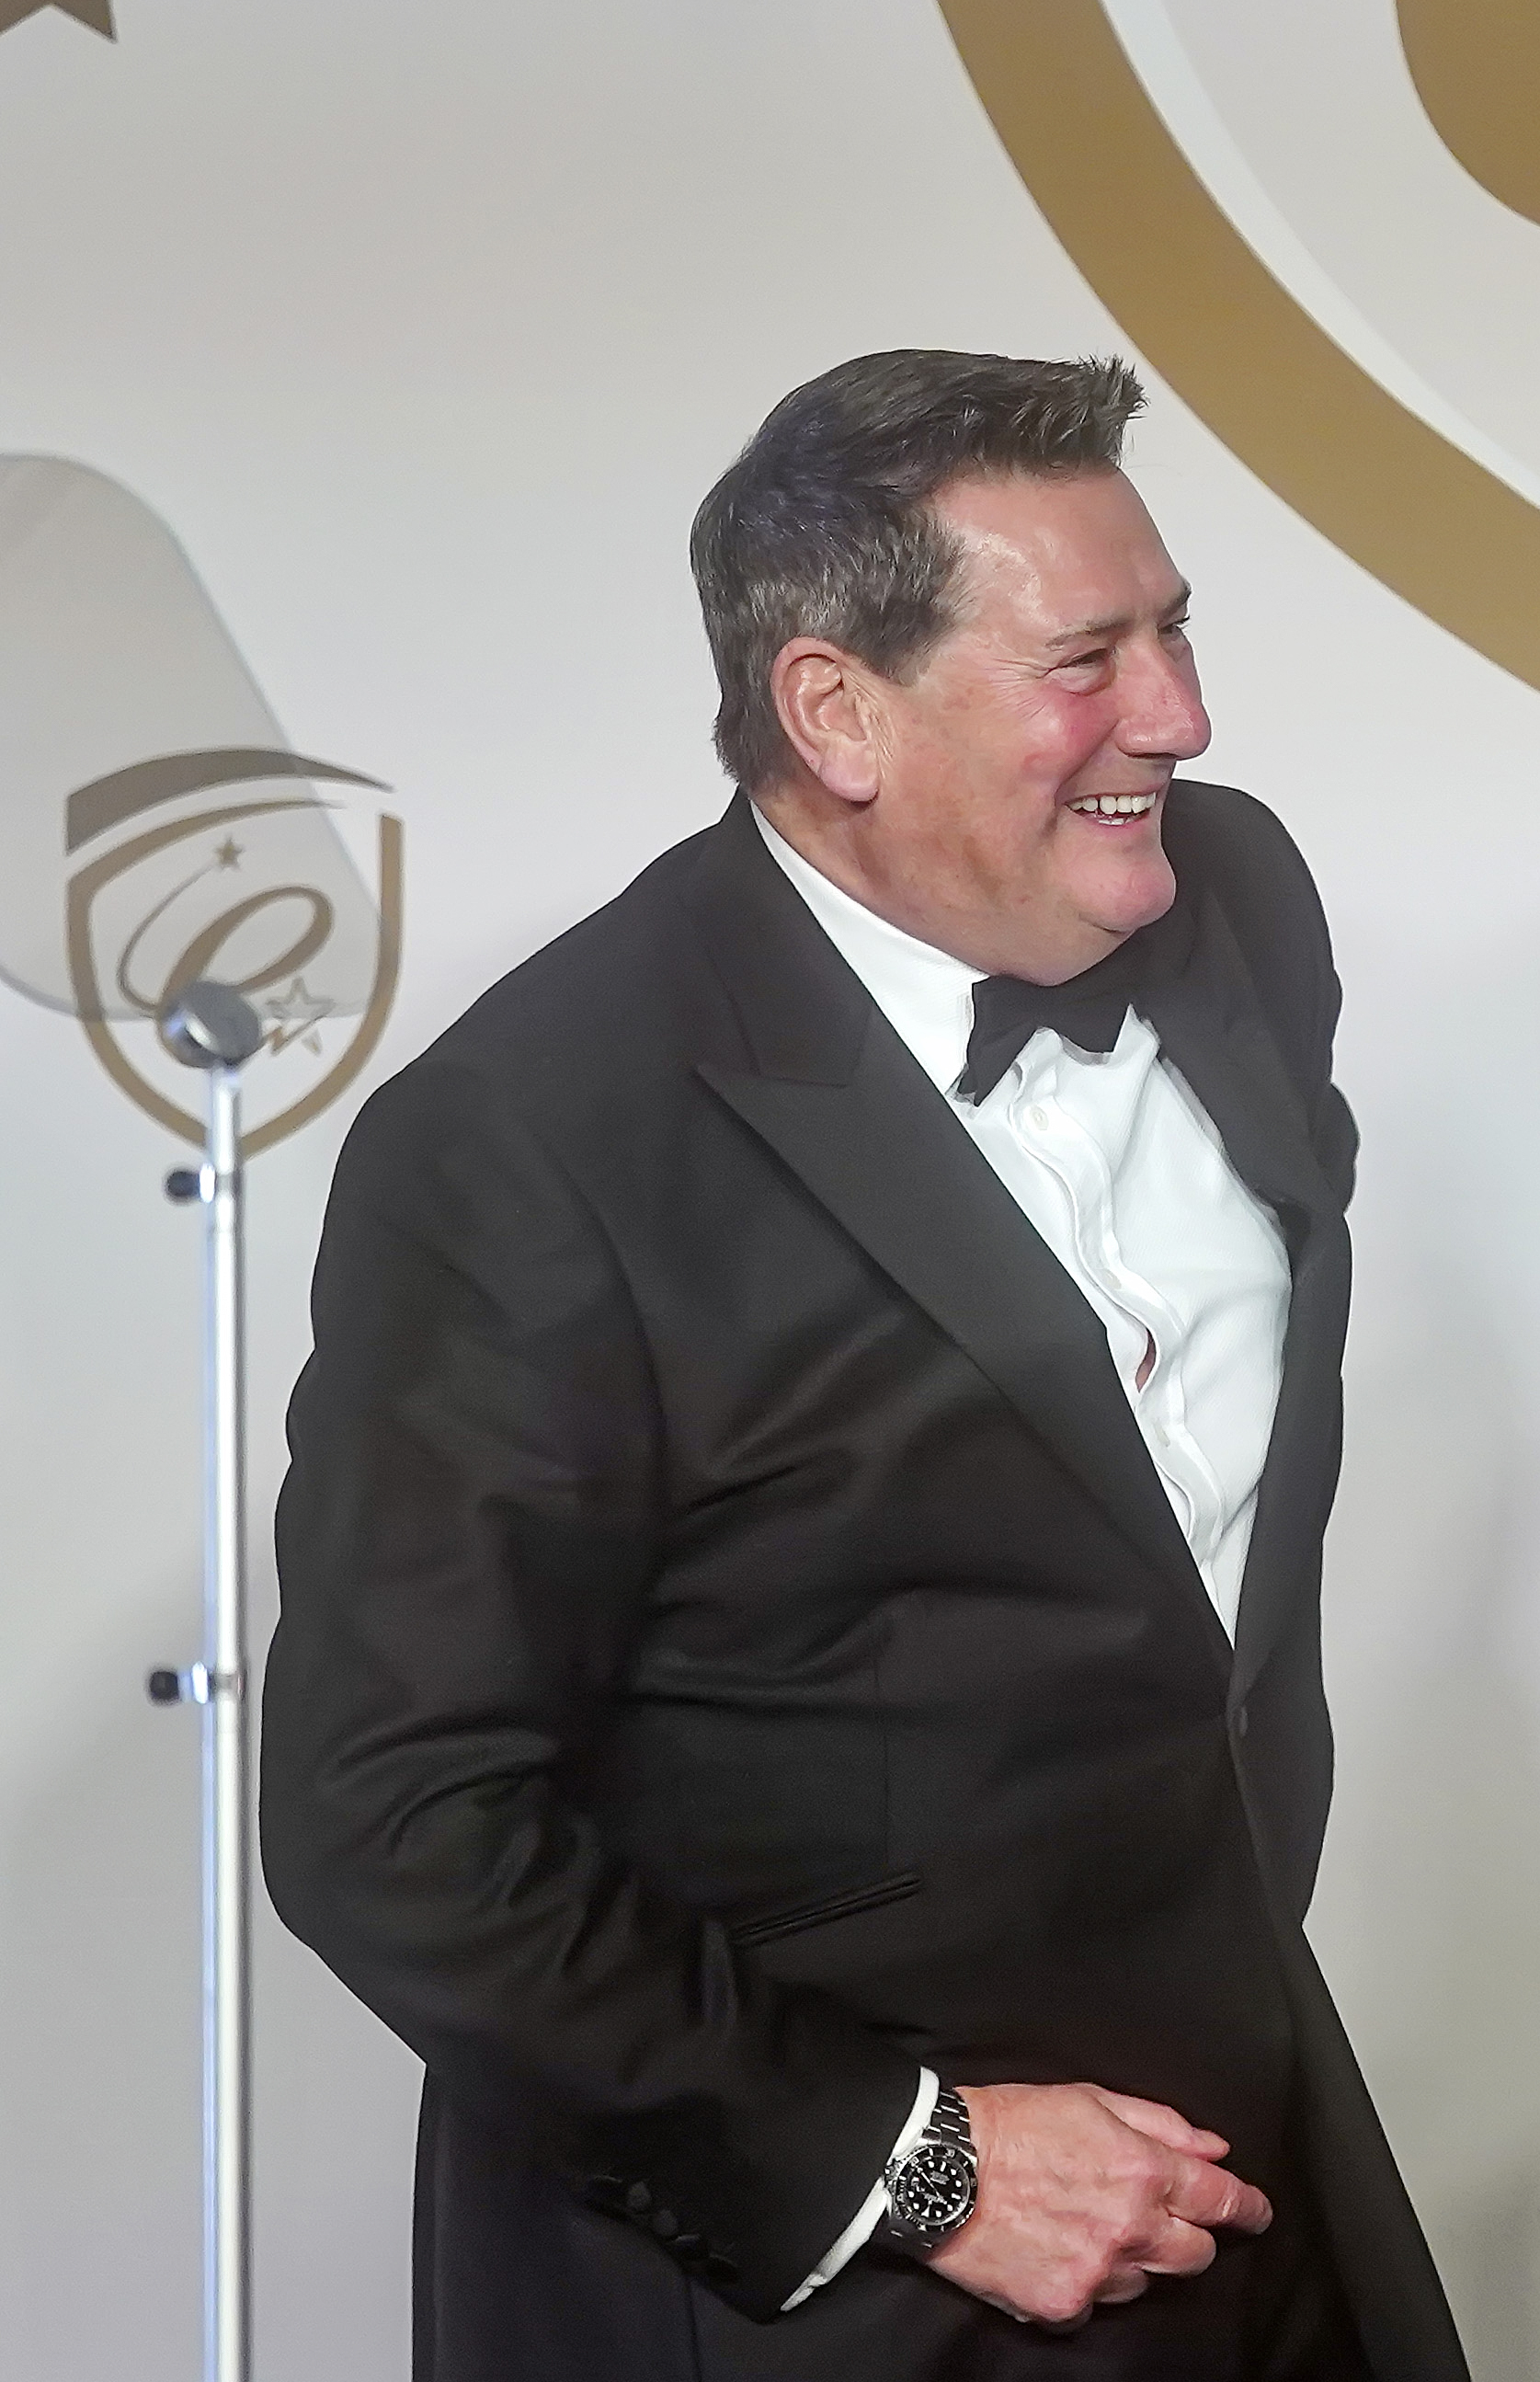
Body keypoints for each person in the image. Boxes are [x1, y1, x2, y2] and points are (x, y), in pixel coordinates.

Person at [264, 351, 1469, 2382]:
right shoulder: (535, 1139)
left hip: (1247, 2175)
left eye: (1175, 632)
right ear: (836, 711)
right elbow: (390, 1820)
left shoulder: (1234, 904)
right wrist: (925, 2169)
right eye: (1087, 660)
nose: (1178, 716)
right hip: (809, 2272)